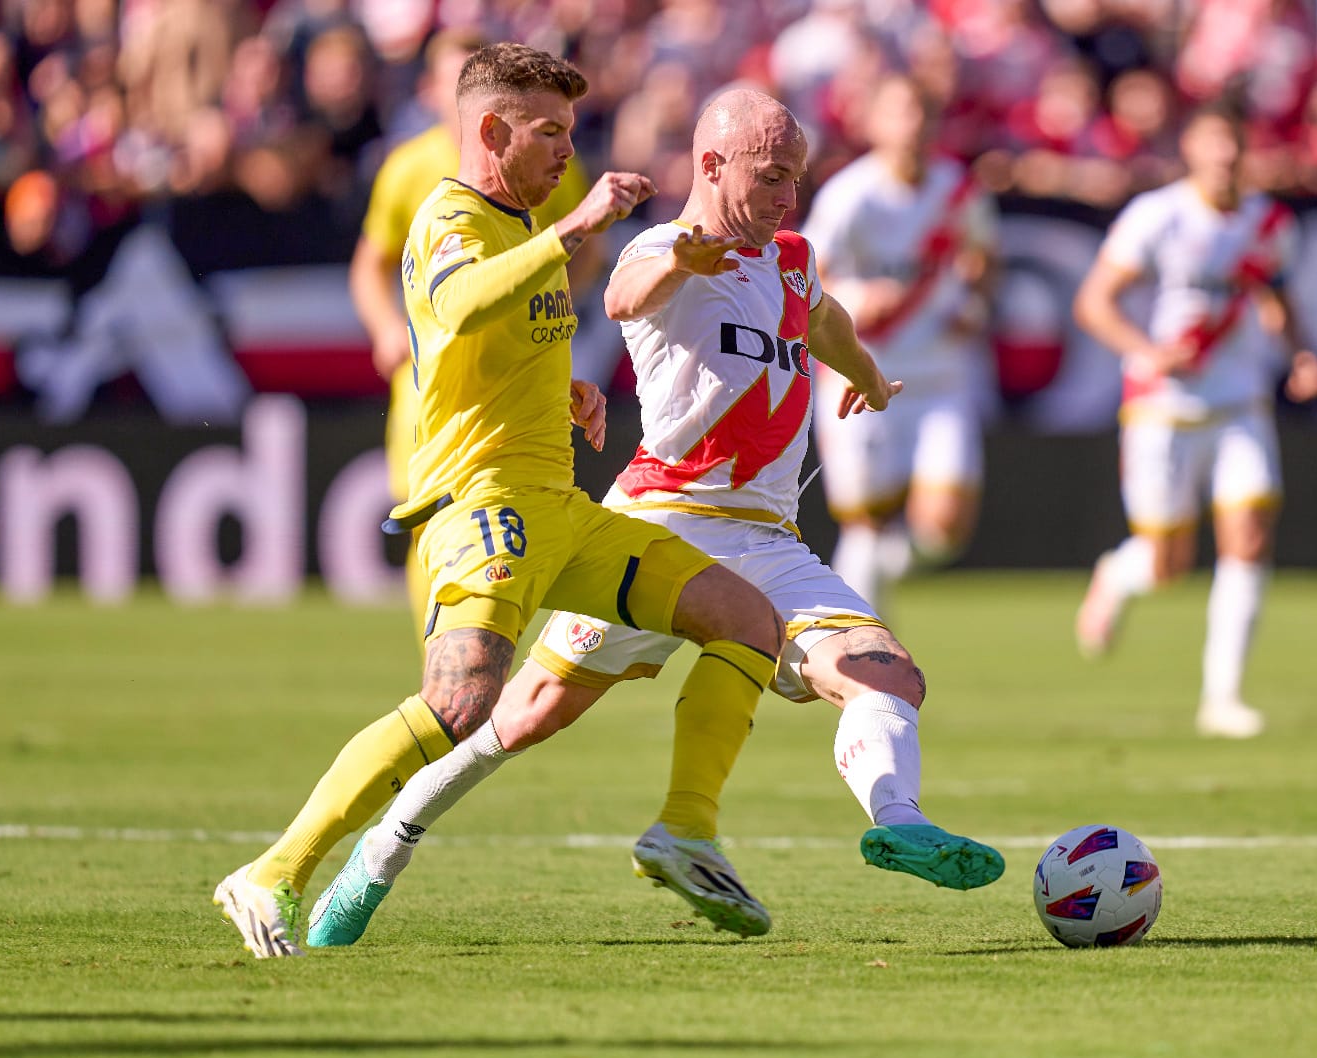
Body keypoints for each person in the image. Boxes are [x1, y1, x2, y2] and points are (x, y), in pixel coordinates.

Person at [302, 87, 1007, 951]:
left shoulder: (792, 256)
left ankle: (899, 822)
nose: (790, 197)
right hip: (661, 525)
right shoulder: (665, 247)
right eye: (773, 177)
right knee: (522, 715)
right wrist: (682, 262)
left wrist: (863, 374)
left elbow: (824, 319)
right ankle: (377, 856)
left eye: (798, 178)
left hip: (768, 539)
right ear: (713, 166)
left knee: (887, 673)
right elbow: (623, 296)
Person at [214, 43, 787, 958]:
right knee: (459, 703)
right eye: (549, 131)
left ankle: (685, 829)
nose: (569, 151)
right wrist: (576, 229)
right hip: (482, 509)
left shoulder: (521, 228)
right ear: (491, 131)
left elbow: (492, 345)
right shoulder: (453, 216)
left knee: (748, 620)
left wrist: (566, 392)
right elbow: (458, 303)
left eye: (571, 130)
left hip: (560, 508)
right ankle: (275, 871)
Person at [1072, 103, 1317, 739]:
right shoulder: (1157, 216)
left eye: (1234, 144)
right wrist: (1149, 352)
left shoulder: (1270, 222)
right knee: (1166, 565)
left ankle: (1223, 697)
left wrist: (1299, 352)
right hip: (1164, 408)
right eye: (1213, 143)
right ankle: (1117, 573)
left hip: (1240, 404)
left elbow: (1278, 296)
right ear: (1190, 149)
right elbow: (1094, 302)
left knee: (1251, 535)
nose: (1225, 157)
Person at [348, 29, 600, 638]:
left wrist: (548, 319)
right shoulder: (409, 169)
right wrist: (386, 329)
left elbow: (586, 249)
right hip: (429, 377)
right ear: (435, 88)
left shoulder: (545, 152)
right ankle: (441, 661)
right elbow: (370, 263)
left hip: (512, 387)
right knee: (431, 513)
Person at [802, 73, 1001, 614]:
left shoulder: (956, 188)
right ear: (874, 122)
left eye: (921, 112)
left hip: (939, 378)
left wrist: (975, 303)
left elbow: (985, 257)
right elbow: (806, 274)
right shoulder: (851, 195)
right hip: (863, 374)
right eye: (898, 112)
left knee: (945, 529)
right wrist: (861, 297)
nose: (911, 125)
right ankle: (857, 639)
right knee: (866, 518)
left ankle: (866, 593)